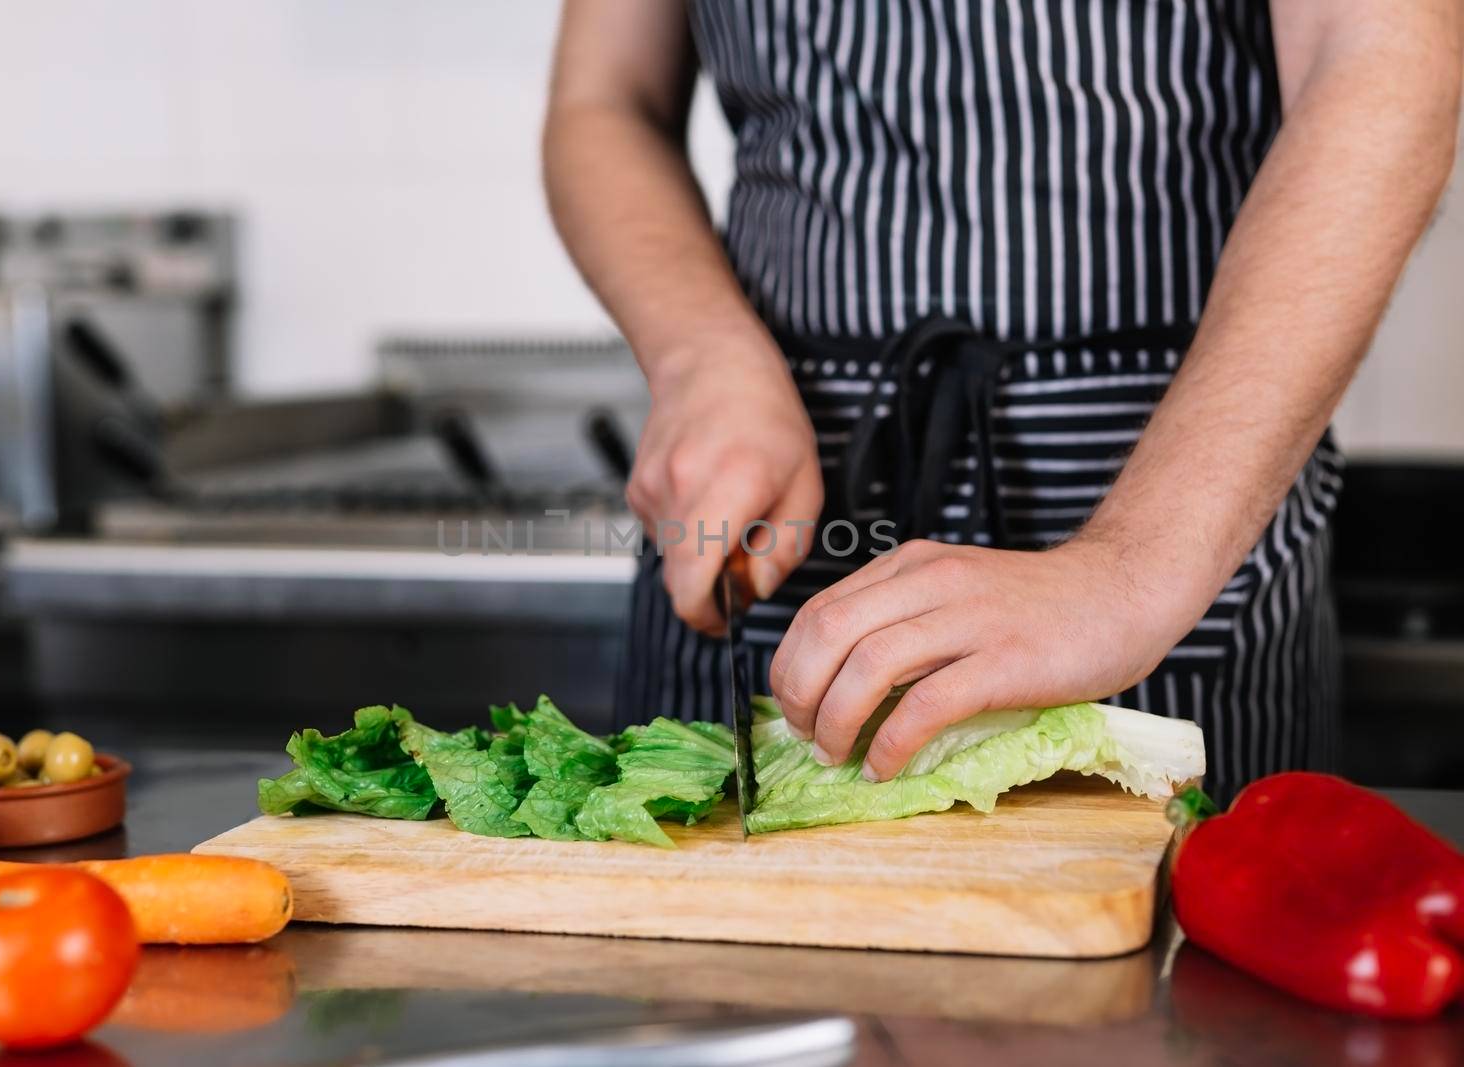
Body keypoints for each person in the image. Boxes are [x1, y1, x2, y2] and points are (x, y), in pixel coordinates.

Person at [543, 0, 1462, 800]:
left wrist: (1129, 572)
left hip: (1179, 537)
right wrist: (703, 357)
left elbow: (1384, 58)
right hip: (774, 517)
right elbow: (605, 100)